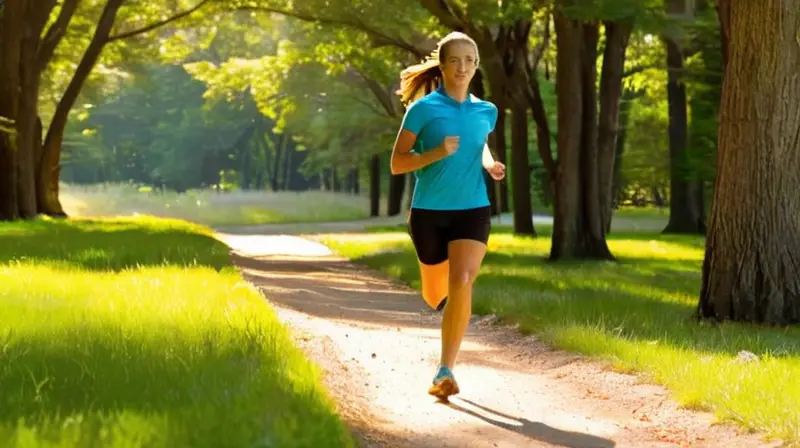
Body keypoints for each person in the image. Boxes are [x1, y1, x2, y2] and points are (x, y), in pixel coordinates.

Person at [389, 31, 505, 401]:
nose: (463, 67)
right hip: (428, 213)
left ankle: (445, 369)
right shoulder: (422, 109)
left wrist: (490, 165)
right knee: (435, 291)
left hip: (472, 208)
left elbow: (480, 140)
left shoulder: (486, 110)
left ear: (476, 66)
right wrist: (434, 154)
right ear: (442, 64)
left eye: (470, 60)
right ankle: (441, 306)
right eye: (455, 60)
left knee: (463, 280)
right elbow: (397, 163)